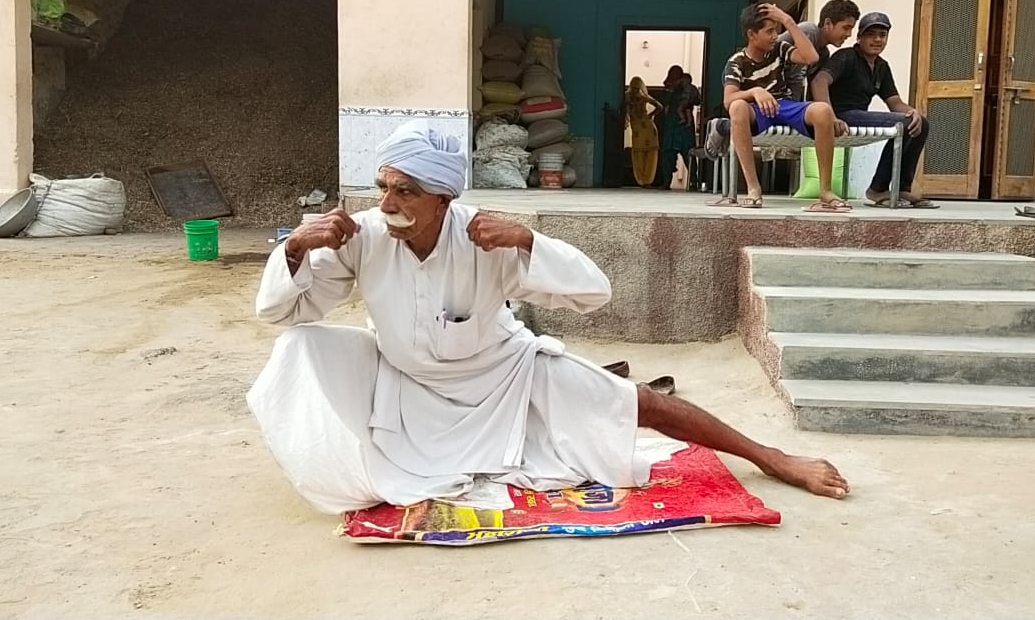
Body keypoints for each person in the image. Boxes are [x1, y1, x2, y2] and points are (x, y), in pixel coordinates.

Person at [246, 119, 850, 515]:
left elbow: (595, 293)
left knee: (637, 402)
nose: (388, 204)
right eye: (383, 188)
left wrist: (530, 240)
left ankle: (772, 457)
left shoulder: (485, 235)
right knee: (297, 351)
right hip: (403, 387)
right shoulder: (363, 235)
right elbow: (281, 310)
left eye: (405, 192)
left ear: (443, 198)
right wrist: (296, 248)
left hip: (502, 375)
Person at [706, 3, 846, 211]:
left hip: (785, 105)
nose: (775, 36)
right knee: (737, 107)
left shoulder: (780, 49)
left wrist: (787, 21)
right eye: (769, 31)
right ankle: (754, 189)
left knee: (823, 111)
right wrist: (754, 92)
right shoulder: (736, 62)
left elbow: (811, 57)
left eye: (776, 30)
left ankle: (825, 191)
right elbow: (728, 99)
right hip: (758, 111)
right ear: (752, 35)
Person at [810, 12, 938, 209]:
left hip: (859, 115)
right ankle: (877, 189)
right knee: (902, 123)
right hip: (842, 115)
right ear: (860, 37)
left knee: (919, 122)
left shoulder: (881, 66)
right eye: (871, 34)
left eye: (882, 35)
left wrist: (911, 110)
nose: (877, 39)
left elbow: (894, 102)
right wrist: (831, 116)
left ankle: (902, 187)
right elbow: (819, 82)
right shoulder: (846, 57)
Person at [777, 0, 861, 101]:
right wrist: (795, 108)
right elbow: (796, 76)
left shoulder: (824, 53)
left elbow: (810, 85)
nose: (849, 34)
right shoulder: (810, 31)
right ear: (827, 23)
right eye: (846, 28)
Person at [658, 71, 700, 188]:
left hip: (685, 129)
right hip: (671, 128)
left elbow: (697, 100)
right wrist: (670, 89)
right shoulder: (669, 90)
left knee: (689, 156)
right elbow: (663, 102)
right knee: (667, 157)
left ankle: (694, 182)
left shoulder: (690, 89)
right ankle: (666, 182)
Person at [624, 76, 663, 187]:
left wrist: (626, 119)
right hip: (649, 128)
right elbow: (660, 106)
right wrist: (650, 115)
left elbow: (625, 111)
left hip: (637, 129)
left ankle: (641, 180)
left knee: (638, 155)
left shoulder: (627, 96)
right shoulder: (643, 96)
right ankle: (647, 180)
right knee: (650, 155)